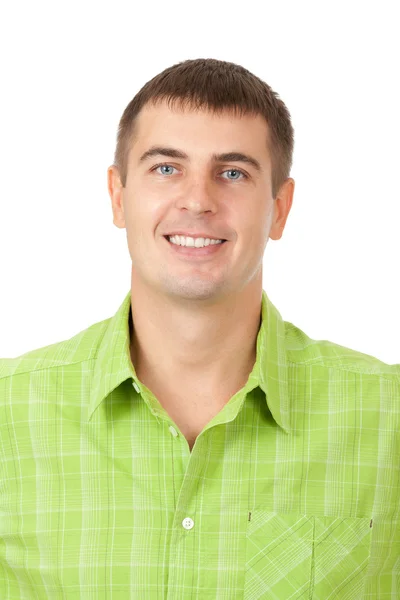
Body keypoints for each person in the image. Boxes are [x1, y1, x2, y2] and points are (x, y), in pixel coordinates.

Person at [0, 58, 398, 599]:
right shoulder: (9, 415)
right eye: (166, 168)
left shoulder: (387, 419)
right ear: (118, 196)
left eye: (232, 172)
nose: (197, 200)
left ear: (280, 209)